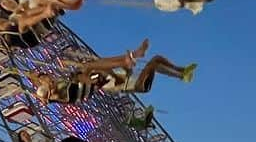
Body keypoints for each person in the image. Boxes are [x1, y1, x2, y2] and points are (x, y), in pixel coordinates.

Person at [29, 39, 196, 105]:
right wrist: (41, 86)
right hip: (137, 85)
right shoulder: (57, 95)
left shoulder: (95, 80)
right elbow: (49, 95)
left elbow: (119, 73)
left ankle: (181, 73)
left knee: (157, 60)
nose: (50, 79)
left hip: (131, 79)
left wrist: (125, 66)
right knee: (93, 66)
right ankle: (132, 56)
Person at [0, 0, 84, 35]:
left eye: (8, 0)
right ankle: (65, 6)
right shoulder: (13, 17)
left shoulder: (24, 0)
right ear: (5, 9)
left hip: (45, 11)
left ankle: (70, 4)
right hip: (39, 24)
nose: (7, 3)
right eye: (4, 4)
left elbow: (25, 2)